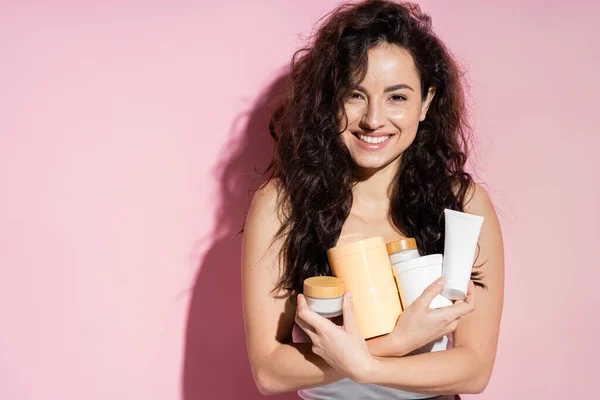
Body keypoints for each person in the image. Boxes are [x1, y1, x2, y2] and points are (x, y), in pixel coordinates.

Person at [241, 0, 504, 398]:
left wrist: (366, 365)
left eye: (397, 97)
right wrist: (387, 349)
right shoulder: (283, 206)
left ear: (426, 102)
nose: (374, 120)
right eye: (355, 95)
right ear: (330, 100)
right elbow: (270, 372)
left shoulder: (462, 206)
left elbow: (474, 369)